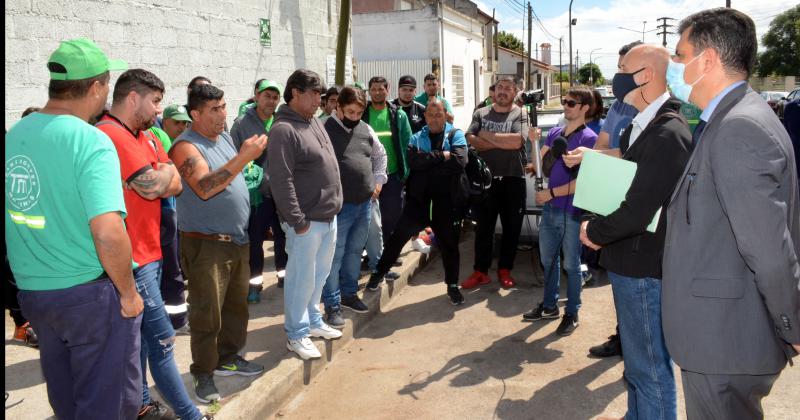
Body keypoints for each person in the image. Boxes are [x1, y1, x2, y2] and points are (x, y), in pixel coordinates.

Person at [663, 8, 799, 419]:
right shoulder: (734, 117)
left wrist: (792, 323)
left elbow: (769, 249)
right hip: (719, 335)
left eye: (680, 55)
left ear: (707, 61)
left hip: (724, 340)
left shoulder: (740, 127)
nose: (675, 66)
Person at [5, 38, 144, 420]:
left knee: (66, 399)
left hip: (35, 294)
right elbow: (107, 231)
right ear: (97, 87)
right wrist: (129, 293)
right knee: (111, 404)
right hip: (89, 296)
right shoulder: (90, 141)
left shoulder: (16, 135)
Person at [579, 45, 691, 420]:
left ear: (644, 75)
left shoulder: (667, 133)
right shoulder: (645, 124)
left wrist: (595, 231)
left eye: (623, 68)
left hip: (643, 266)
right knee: (638, 365)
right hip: (631, 262)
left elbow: (639, 208)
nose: (618, 74)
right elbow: (627, 170)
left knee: (650, 368)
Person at [97, 68, 208, 420]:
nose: (159, 112)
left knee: (143, 339)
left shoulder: (147, 136)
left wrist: (160, 177)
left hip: (154, 251)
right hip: (132, 259)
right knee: (162, 340)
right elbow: (152, 185)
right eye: (155, 102)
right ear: (133, 98)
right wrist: (159, 177)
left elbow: (173, 180)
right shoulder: (109, 134)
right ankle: (190, 415)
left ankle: (142, 403)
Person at [169, 84, 267, 403]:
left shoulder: (223, 137)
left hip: (237, 240)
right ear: (194, 114)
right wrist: (244, 157)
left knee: (235, 308)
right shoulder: (185, 146)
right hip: (206, 244)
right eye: (214, 109)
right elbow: (205, 187)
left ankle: (227, 359)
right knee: (206, 313)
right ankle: (203, 373)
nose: (222, 114)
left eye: (224, 106)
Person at [564, 40, 642, 359]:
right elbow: (604, 148)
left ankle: (640, 345)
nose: (619, 75)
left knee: (644, 285)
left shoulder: (663, 111)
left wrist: (603, 156)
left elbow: (644, 157)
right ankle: (624, 337)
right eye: (619, 68)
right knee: (619, 280)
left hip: (645, 205)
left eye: (625, 68)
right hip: (614, 202)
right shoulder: (621, 107)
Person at [268, 69, 344, 360]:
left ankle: (312, 321)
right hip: (306, 223)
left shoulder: (313, 122)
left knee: (318, 275)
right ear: (295, 94)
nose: (319, 100)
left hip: (327, 217)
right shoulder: (283, 130)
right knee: (301, 278)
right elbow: (281, 180)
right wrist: (297, 221)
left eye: (320, 95)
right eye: (313, 94)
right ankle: (296, 334)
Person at [368, 99, 468, 305]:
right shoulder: (416, 137)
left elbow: (459, 162)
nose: (434, 119)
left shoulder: (455, 134)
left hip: (446, 203)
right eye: (430, 115)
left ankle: (452, 285)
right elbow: (414, 162)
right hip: (418, 202)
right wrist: (443, 156)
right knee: (397, 239)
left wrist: (429, 161)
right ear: (425, 117)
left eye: (438, 114)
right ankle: (379, 273)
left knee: (450, 246)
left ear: (446, 115)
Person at [522, 87, 597, 336]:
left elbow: (585, 181)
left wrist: (552, 194)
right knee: (548, 260)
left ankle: (572, 312)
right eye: (565, 101)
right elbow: (537, 164)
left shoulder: (589, 139)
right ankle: (550, 305)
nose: (566, 106)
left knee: (572, 265)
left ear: (585, 108)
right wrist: (533, 140)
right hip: (551, 210)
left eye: (572, 103)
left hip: (571, 211)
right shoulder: (554, 133)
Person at [322, 86, 387, 327]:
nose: (354, 117)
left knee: (354, 252)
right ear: (337, 107)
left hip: (364, 204)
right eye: (350, 111)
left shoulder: (365, 128)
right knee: (334, 255)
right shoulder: (323, 130)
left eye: (359, 112)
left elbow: (380, 157)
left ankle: (349, 293)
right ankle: (332, 303)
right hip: (339, 208)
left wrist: (378, 183)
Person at [461, 76, 529, 290]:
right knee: (484, 228)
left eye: (508, 88)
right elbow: (470, 138)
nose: (503, 91)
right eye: (500, 87)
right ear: (494, 91)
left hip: (512, 179)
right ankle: (481, 271)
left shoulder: (521, 113)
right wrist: (502, 141)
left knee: (512, 228)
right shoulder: (480, 113)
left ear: (514, 92)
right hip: (485, 181)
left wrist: (486, 136)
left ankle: (504, 269)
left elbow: (518, 141)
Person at [230, 79, 288, 302]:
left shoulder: (281, 120)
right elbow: (233, 156)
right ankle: (254, 284)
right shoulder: (242, 123)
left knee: (283, 236)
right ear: (256, 96)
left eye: (275, 97)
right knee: (255, 241)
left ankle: (284, 276)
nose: (271, 101)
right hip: (256, 194)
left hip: (281, 192)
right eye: (267, 96)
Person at [361, 76, 413, 284]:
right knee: (368, 221)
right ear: (369, 91)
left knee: (390, 218)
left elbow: (408, 143)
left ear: (387, 90)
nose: (377, 93)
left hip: (392, 176)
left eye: (381, 89)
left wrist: (405, 173)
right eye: (373, 89)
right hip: (367, 177)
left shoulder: (397, 115)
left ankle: (385, 258)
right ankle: (372, 257)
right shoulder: (363, 114)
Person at [147, 103, 192, 331]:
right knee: (169, 268)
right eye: (177, 122)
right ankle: (176, 321)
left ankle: (174, 318)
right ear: (165, 121)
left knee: (170, 268)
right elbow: (170, 180)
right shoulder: (159, 137)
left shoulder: (163, 138)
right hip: (164, 212)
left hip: (169, 210)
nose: (182, 127)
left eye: (185, 123)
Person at [391, 75, 431, 254]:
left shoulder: (422, 110)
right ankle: (393, 241)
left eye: (411, 90)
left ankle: (415, 239)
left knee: (416, 202)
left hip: (416, 165)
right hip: (396, 163)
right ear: (398, 90)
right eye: (404, 89)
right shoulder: (390, 108)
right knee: (394, 204)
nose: (407, 93)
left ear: (416, 91)